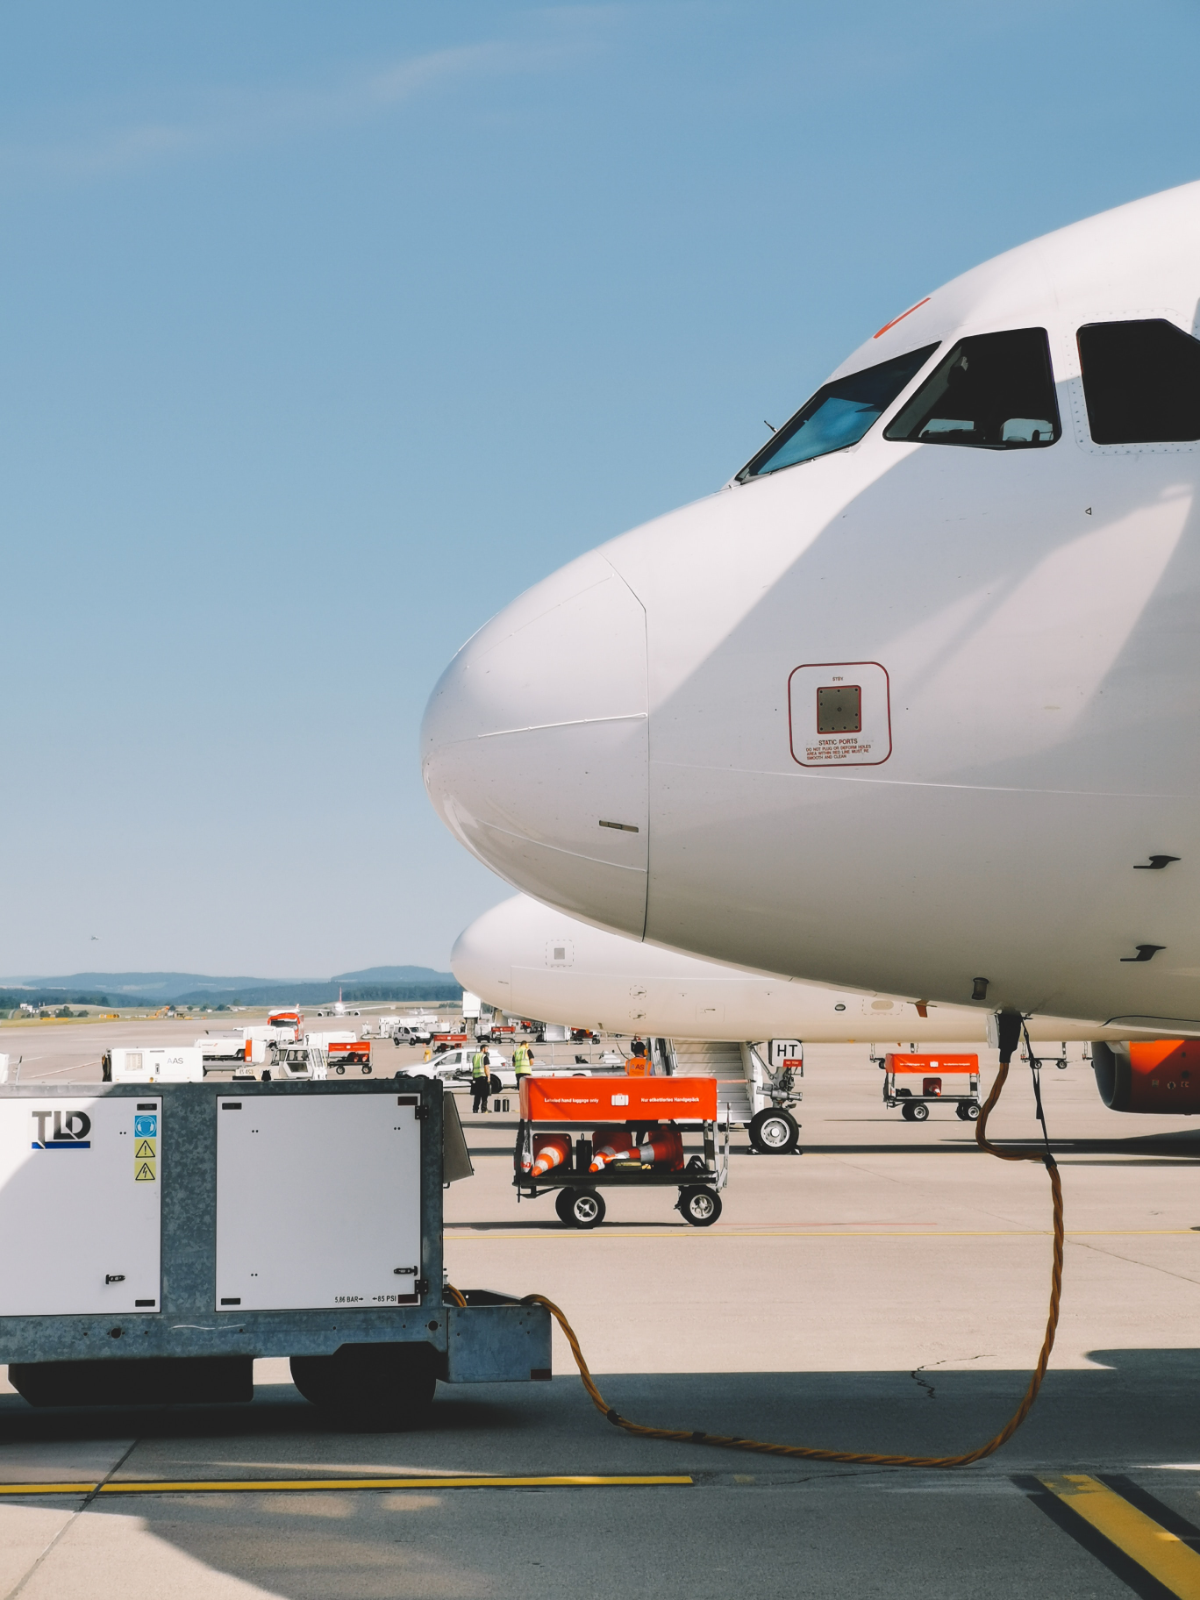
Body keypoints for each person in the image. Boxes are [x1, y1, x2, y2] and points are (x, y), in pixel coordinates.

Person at [471, 1047, 490, 1113]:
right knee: (484, 1094)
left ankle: (475, 1108)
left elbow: (473, 1066)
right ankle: (484, 1109)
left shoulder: (475, 1056)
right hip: (483, 1077)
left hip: (476, 1077)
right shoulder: (484, 1057)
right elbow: (486, 1068)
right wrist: (489, 1077)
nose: (487, 1050)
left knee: (477, 1094)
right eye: (487, 1049)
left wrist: (473, 1076)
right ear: (483, 1049)